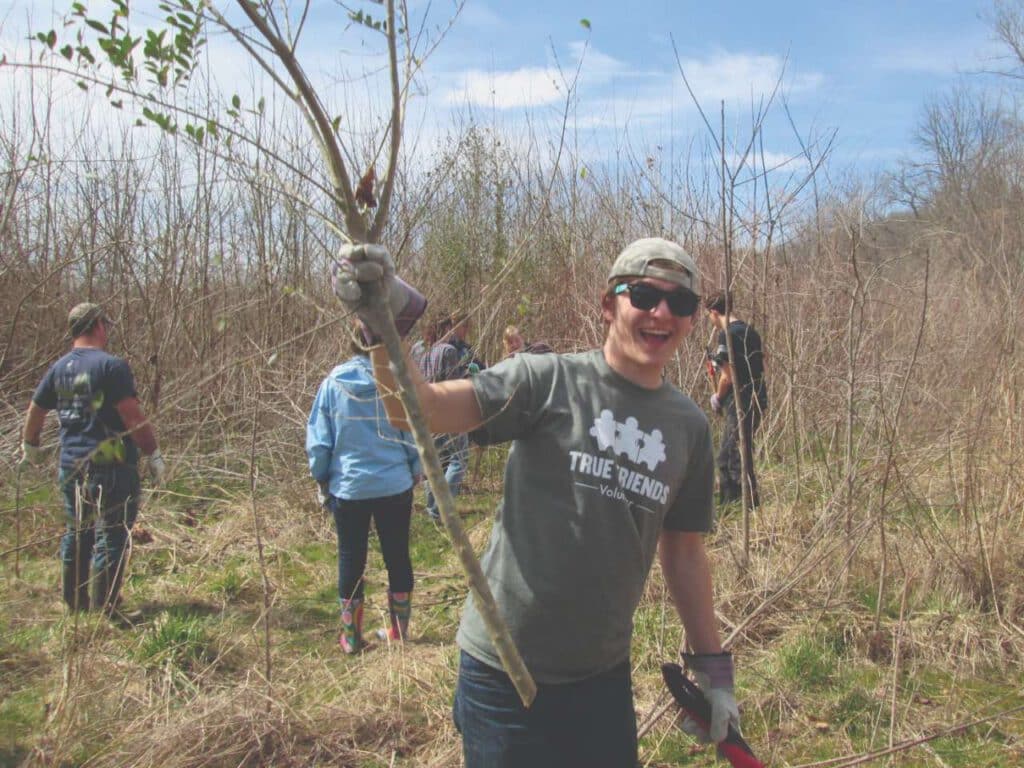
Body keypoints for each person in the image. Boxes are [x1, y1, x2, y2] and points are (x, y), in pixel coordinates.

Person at [333, 239, 740, 767]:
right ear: (608, 304)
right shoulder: (545, 379)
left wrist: (714, 673)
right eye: (643, 295)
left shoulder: (689, 428)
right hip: (503, 674)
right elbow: (419, 410)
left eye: (680, 302)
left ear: (692, 320)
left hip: (602, 680)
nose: (661, 312)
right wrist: (380, 323)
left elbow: (684, 553)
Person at [20, 302, 165, 619]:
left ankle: (75, 604)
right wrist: (152, 453)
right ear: (98, 325)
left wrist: (30, 445)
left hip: (71, 465)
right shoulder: (111, 366)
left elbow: (36, 410)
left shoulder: (59, 368)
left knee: (77, 532)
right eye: (105, 325)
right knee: (112, 535)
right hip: (111, 466)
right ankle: (107, 609)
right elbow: (133, 418)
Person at [306, 337, 422, 653]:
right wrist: (415, 469)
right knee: (398, 554)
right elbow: (412, 431)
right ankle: (399, 632)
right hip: (394, 483)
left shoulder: (332, 384)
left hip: (350, 486)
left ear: (353, 343)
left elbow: (319, 443)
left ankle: (352, 639)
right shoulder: (393, 381)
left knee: (350, 558)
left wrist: (321, 477)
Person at [705, 291, 768, 508]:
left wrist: (718, 397)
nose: (711, 321)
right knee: (739, 453)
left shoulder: (726, 335)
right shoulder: (751, 331)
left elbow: (727, 377)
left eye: (709, 316)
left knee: (730, 458)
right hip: (758, 397)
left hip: (740, 401)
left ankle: (738, 508)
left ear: (714, 312)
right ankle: (745, 506)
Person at [418, 316, 469, 520]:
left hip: (428, 413)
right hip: (447, 411)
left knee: (435, 463)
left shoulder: (424, 353)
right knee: (459, 460)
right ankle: (442, 508)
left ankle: (432, 509)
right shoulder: (448, 351)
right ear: (444, 329)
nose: (452, 332)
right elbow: (453, 384)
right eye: (449, 328)